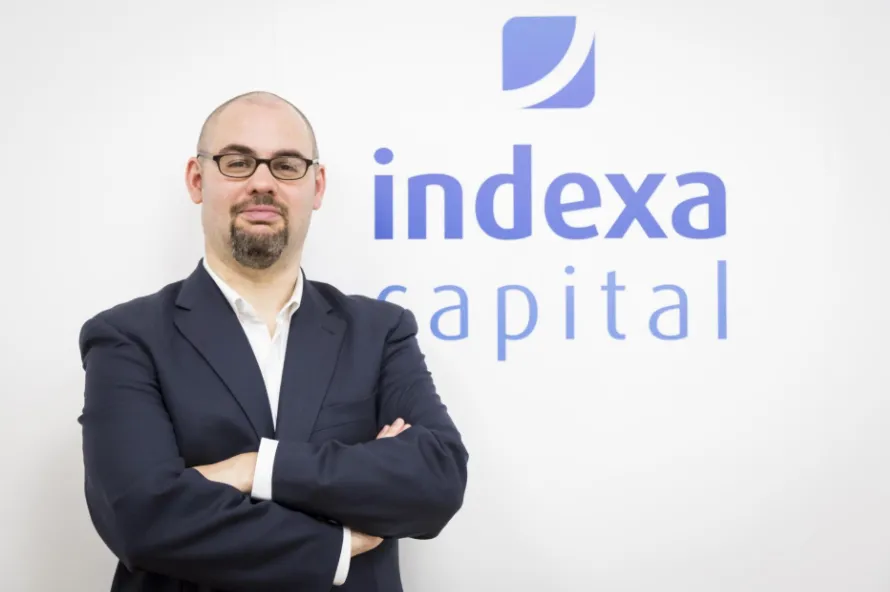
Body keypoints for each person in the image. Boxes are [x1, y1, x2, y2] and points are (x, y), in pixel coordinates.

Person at [77, 90, 469, 592]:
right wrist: (336, 542)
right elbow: (138, 516)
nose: (262, 183)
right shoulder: (127, 338)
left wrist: (253, 467)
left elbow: (437, 481)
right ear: (197, 180)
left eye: (286, 165)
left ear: (316, 186)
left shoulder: (380, 332)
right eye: (237, 162)